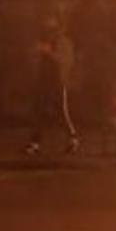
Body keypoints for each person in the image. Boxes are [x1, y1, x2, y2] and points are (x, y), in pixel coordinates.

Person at [28, 13, 80, 155]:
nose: (49, 32)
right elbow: (34, 60)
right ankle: (35, 143)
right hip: (43, 81)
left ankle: (73, 139)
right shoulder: (44, 42)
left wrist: (50, 53)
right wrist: (37, 53)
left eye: (52, 29)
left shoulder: (64, 43)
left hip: (57, 82)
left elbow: (66, 62)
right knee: (39, 111)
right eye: (47, 29)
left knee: (61, 112)